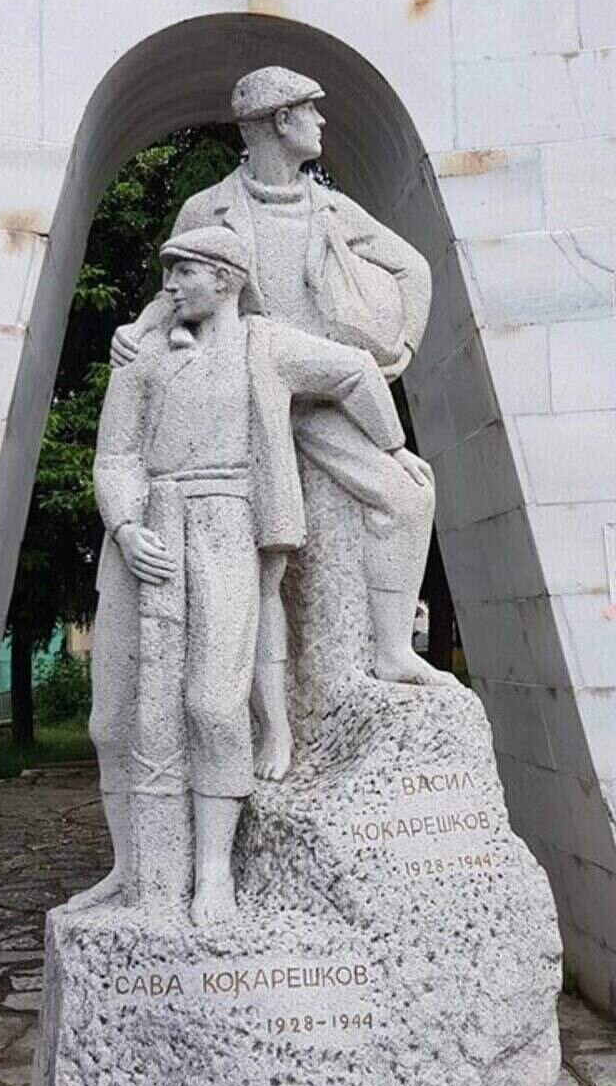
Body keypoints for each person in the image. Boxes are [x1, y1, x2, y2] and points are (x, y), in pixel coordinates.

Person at [89, 225, 430, 923]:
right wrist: (124, 527)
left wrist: (392, 448)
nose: (169, 285)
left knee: (215, 706)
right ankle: (129, 870)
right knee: (110, 720)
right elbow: (115, 456)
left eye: (184, 272)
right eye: (168, 272)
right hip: (144, 534)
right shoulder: (143, 353)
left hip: (225, 528)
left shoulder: (266, 344)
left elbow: (355, 371)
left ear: (225, 278)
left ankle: (213, 872)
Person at [111, 66, 447, 704]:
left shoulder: (331, 208)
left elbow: (413, 268)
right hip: (240, 401)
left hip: (320, 396)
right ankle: (263, 720)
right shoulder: (207, 208)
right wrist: (139, 329)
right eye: (311, 110)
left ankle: (393, 652)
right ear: (280, 120)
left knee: (407, 495)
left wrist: (399, 348)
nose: (322, 122)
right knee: (263, 560)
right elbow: (176, 289)